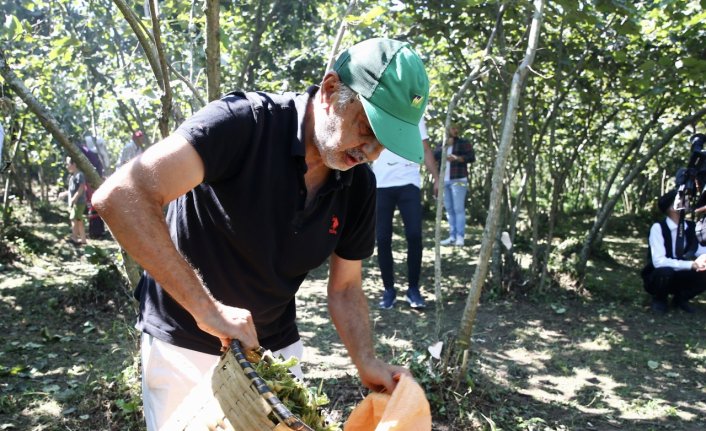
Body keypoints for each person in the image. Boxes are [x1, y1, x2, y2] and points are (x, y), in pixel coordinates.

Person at [93, 37, 429, 429]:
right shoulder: (244, 124)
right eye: (367, 128)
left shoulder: (358, 187)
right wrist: (208, 309)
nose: (369, 152)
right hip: (185, 344)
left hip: (271, 349)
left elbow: (345, 288)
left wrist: (366, 359)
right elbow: (121, 196)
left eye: (384, 144)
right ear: (331, 89)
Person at [372, 118, 439, 310]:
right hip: (381, 185)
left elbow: (425, 149)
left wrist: (436, 178)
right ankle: (389, 290)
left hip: (409, 183)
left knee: (414, 235)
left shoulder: (415, 116)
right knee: (383, 238)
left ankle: (413, 289)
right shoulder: (377, 114)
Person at [641, 189, 706, 313]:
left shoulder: (691, 227)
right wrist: (691, 264)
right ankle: (659, 299)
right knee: (665, 272)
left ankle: (681, 299)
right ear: (671, 207)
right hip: (660, 276)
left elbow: (700, 250)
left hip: (683, 274)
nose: (687, 201)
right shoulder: (658, 228)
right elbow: (659, 261)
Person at [434, 124, 475, 246]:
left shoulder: (463, 142)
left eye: (457, 128)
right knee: (449, 209)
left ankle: (460, 237)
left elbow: (471, 157)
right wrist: (445, 146)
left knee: (458, 209)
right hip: (444, 180)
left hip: (459, 179)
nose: (456, 130)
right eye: (453, 128)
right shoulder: (441, 143)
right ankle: (452, 237)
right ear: (447, 129)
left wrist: (457, 158)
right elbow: (434, 156)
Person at [66, 157, 87, 246]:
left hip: (79, 202)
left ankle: (74, 238)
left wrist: (75, 198)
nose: (66, 166)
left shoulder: (79, 175)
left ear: (74, 164)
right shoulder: (72, 177)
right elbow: (71, 190)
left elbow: (82, 187)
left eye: (68, 164)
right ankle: (83, 239)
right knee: (78, 220)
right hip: (75, 202)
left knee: (73, 218)